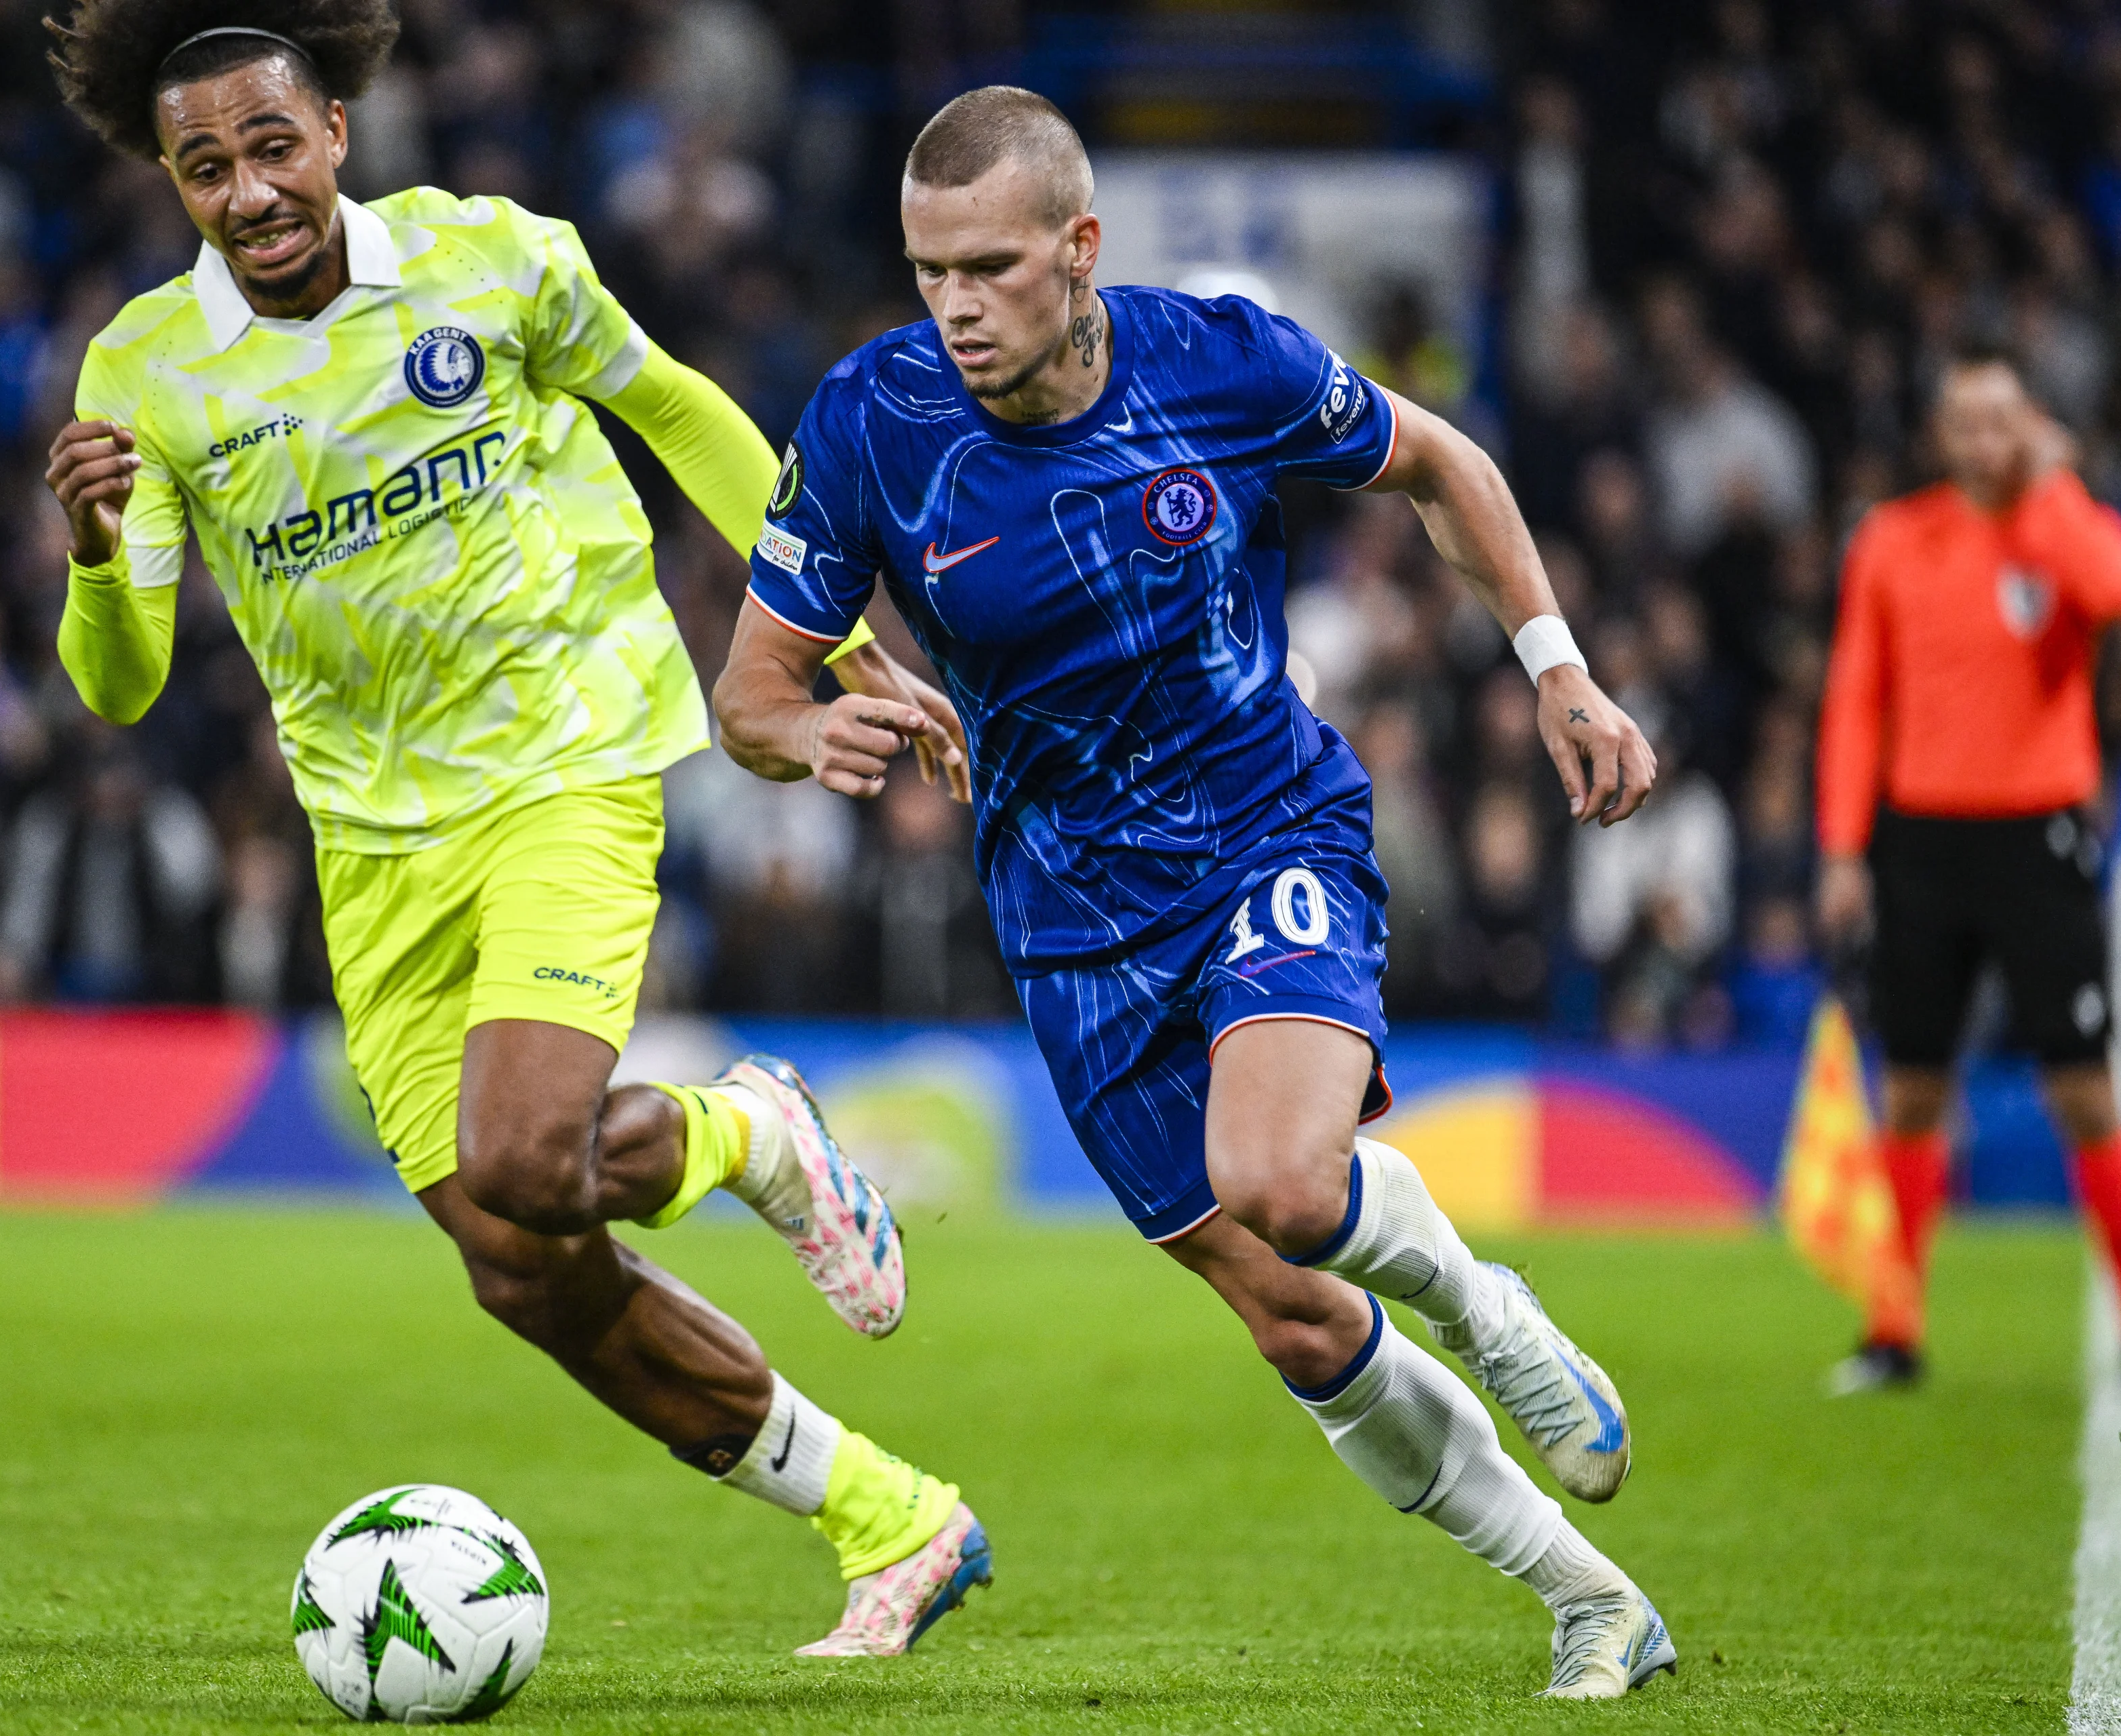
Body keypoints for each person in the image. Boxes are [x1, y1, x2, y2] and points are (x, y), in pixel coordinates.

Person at [39, 1, 985, 1659]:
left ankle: (749, 1130)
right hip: (374, 843)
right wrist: (102, 553)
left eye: (273, 146)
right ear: (172, 183)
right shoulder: (148, 374)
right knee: (521, 1263)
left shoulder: (496, 262)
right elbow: (117, 685)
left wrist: (828, 629)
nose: (250, 192)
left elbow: (683, 411)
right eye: (207, 168)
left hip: (569, 760)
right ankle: (894, 1517)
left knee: (528, 1157)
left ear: (336, 126)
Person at [716, 87, 1675, 1700]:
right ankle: (1595, 1601)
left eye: (992, 265)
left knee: (1290, 1178)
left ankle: (1491, 1311)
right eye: (926, 268)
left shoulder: (1221, 365)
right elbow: (746, 690)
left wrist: (1559, 669)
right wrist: (815, 726)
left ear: (1080, 250)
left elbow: (1441, 460)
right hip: (1068, 919)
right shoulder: (869, 421)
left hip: (1262, 831)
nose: (952, 305)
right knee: (1294, 1317)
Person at [1814, 349, 2121, 1392]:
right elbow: (1855, 701)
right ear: (1941, 434)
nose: (1986, 441)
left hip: (2038, 835)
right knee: (1915, 1087)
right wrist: (1842, 847)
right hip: (1921, 842)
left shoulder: (2061, 529)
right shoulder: (1892, 539)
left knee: (2084, 1089)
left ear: (2033, 427)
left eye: (2004, 421)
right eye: (1968, 422)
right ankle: (1894, 1329)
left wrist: (2054, 486)